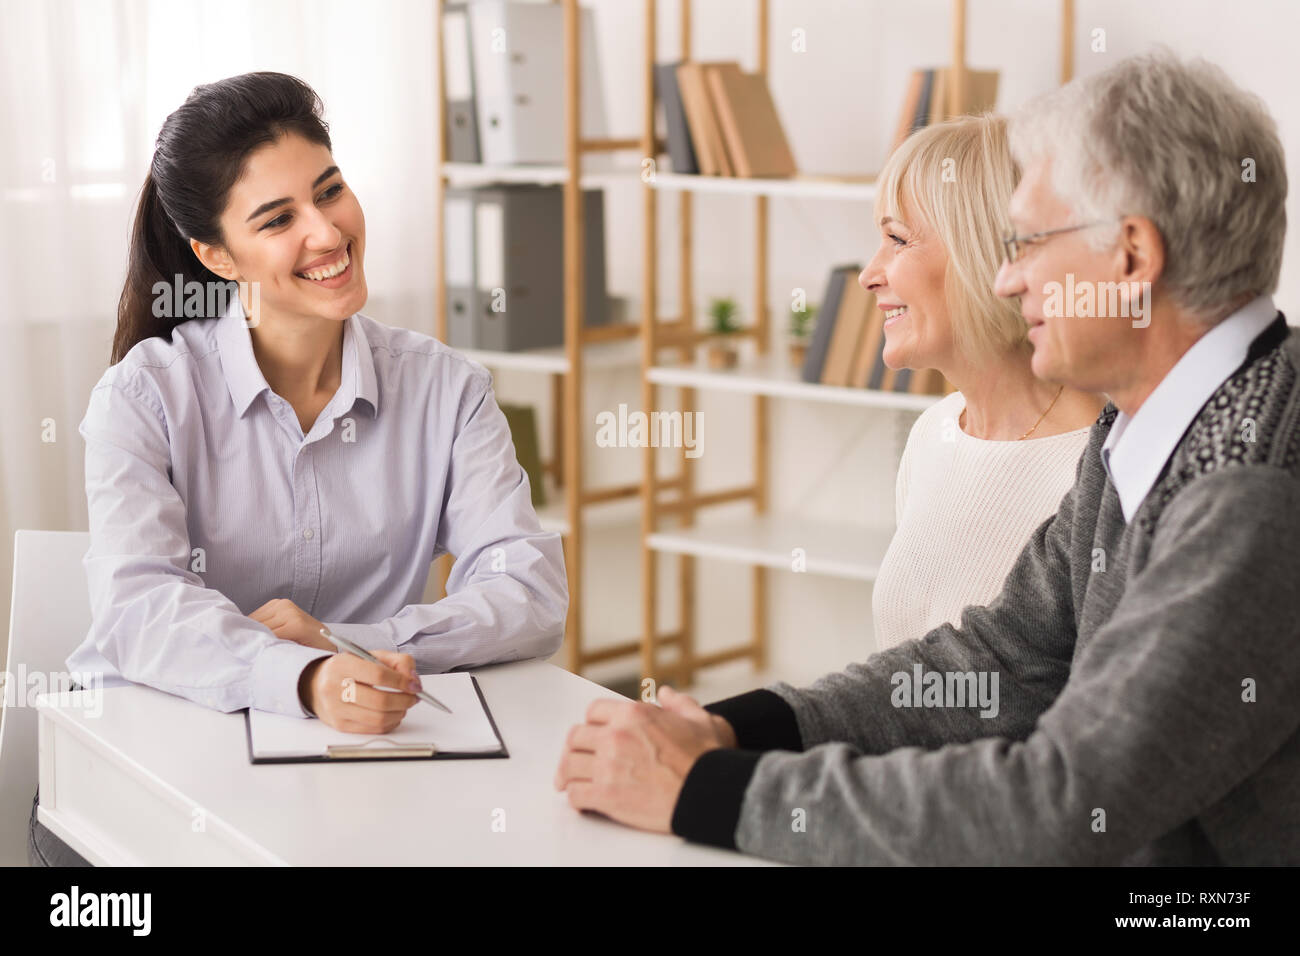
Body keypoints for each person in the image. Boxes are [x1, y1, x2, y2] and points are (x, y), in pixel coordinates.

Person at [555, 50, 1299, 865]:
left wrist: (704, 791)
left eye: (1028, 243)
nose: (1008, 280)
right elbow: (1001, 659)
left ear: (1129, 257)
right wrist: (737, 730)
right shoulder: (1138, 431)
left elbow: (1065, 796)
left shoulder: (1249, 491)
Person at [31, 72, 567, 866]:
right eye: (279, 218)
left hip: (338, 773)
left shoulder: (445, 388)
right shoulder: (144, 397)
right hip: (137, 771)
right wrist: (306, 676)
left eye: (331, 191)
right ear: (215, 255)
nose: (327, 232)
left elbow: (528, 589)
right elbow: (138, 609)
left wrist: (340, 643)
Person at [865, 114, 1105, 649]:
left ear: (985, 257)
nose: (869, 274)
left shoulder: (1098, 468)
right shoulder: (933, 432)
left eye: (897, 240)